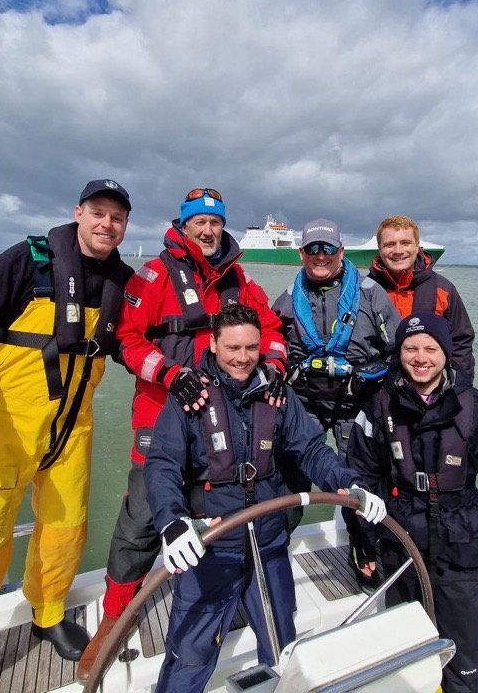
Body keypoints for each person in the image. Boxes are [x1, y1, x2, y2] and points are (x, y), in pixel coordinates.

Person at [0, 180, 134, 693]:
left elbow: (131, 343)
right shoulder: (28, 262)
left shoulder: (122, 281)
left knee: (64, 530)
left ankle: (49, 612)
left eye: (118, 218)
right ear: (77, 213)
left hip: (71, 429)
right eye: (98, 213)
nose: (107, 224)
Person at [77, 188, 288, 680]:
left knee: (216, 509)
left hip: (223, 422)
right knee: (141, 522)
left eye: (216, 222)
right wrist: (171, 374)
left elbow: (272, 326)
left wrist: (274, 361)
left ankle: (214, 598)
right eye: (199, 223)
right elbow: (125, 340)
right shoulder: (154, 275)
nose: (208, 231)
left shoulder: (240, 278)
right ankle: (113, 620)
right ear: (185, 224)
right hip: (160, 418)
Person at [144, 304, 387, 693]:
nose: (242, 358)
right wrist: (172, 521)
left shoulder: (279, 394)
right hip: (211, 547)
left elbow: (312, 450)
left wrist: (351, 482)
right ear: (213, 344)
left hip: (269, 541)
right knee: (189, 653)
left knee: (282, 647)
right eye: (232, 348)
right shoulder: (190, 396)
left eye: (251, 348)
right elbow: (162, 465)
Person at [348, 312, 478, 693]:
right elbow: (361, 480)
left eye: (430, 348)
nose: (420, 357)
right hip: (401, 543)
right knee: (402, 649)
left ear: (446, 353)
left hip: (461, 549)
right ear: (399, 353)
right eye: (410, 348)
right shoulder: (378, 408)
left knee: (463, 662)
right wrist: (362, 541)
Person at [271, 218, 400, 591]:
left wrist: (369, 375)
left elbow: (397, 352)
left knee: (361, 482)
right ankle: (271, 551)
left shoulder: (372, 294)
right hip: (305, 404)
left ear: (342, 251)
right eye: (313, 249)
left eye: (329, 248)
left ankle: (365, 552)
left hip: (356, 404)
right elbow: (269, 345)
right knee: (287, 481)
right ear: (302, 254)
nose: (321, 255)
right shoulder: (286, 299)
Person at [369, 214, 476, 375]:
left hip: (427, 383)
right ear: (380, 248)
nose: (398, 251)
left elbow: (461, 342)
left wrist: (459, 385)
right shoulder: (364, 289)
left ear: (417, 245)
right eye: (390, 244)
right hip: (377, 385)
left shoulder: (444, 289)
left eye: (405, 243)